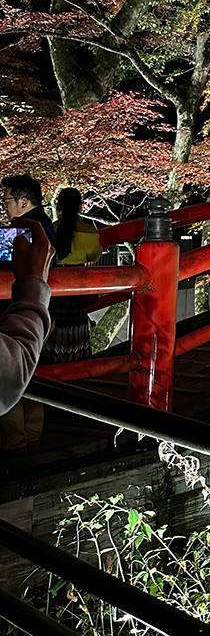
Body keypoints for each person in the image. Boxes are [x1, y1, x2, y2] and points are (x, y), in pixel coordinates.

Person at [0, 220, 55, 452]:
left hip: (21, 316)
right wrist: (33, 288)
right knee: (36, 372)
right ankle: (30, 436)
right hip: (39, 314)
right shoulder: (43, 230)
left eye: (7, 199)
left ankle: (17, 439)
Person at [43, 188, 102, 368]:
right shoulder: (89, 232)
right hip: (78, 287)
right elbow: (95, 256)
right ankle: (77, 369)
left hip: (53, 288)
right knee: (77, 329)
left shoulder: (50, 230)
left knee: (53, 327)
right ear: (80, 207)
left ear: (59, 206)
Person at [1, 175, 56, 246]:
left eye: (7, 202)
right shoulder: (40, 225)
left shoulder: (29, 229)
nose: (5, 207)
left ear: (24, 202)